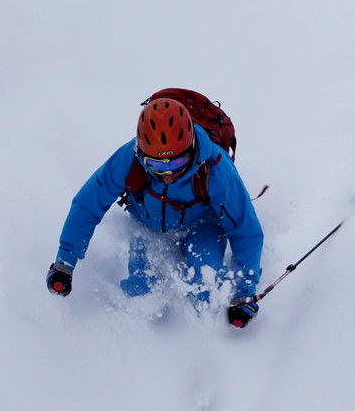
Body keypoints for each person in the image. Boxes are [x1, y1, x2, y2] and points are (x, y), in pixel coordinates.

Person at [46, 96, 263, 327]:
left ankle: (210, 345)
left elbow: (245, 230)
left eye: (178, 162)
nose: (168, 172)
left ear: (192, 149)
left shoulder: (216, 168)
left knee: (207, 292)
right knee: (141, 293)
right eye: (157, 165)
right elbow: (88, 206)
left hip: (203, 226)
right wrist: (64, 263)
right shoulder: (128, 159)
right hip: (148, 226)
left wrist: (244, 292)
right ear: (142, 154)